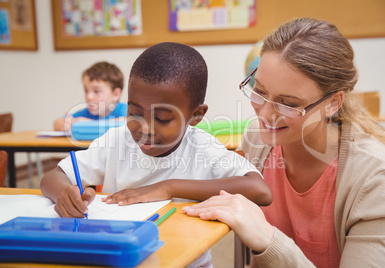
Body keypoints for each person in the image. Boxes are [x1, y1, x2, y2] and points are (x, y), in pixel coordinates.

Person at [183, 17, 385, 267]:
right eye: (260, 91)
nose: (264, 115)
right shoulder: (258, 138)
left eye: (288, 104)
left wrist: (268, 238)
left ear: (333, 103)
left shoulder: (377, 179)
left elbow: (265, 241)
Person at [41, 42, 272, 267]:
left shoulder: (202, 148)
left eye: (163, 118)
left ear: (196, 115)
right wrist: (64, 194)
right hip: (123, 259)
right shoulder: (116, 141)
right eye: (134, 113)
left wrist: (169, 187)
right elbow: (52, 176)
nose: (146, 128)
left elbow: (260, 191)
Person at [53, 61, 127, 132]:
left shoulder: (125, 110)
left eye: (96, 91)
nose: (89, 96)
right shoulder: (87, 113)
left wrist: (87, 124)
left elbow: (128, 122)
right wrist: (66, 123)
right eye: (86, 91)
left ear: (116, 94)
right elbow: (57, 123)